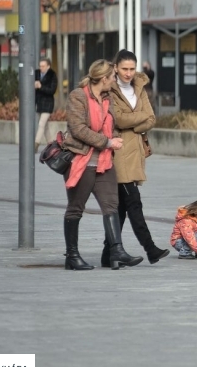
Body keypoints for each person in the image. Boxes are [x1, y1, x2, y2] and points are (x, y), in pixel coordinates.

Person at [61, 59, 143, 271]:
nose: (115, 80)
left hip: (104, 161)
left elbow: (112, 124)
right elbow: (78, 129)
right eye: (112, 77)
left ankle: (116, 250)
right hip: (82, 160)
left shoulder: (108, 98)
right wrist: (107, 142)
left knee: (111, 205)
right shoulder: (78, 96)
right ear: (104, 78)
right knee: (75, 208)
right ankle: (72, 256)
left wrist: (114, 138)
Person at [100, 50, 170, 267]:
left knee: (121, 208)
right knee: (134, 203)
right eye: (124, 69)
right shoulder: (110, 89)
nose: (128, 73)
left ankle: (108, 254)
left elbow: (152, 118)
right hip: (119, 153)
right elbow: (118, 119)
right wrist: (139, 120)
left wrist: (134, 124)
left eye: (132, 68)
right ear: (115, 68)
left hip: (136, 153)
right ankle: (150, 249)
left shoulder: (139, 87)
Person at [34, 58, 57, 153]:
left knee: (41, 124)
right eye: (40, 66)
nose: (41, 68)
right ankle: (51, 144)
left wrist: (41, 87)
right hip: (39, 103)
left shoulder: (52, 75)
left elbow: (52, 90)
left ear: (48, 66)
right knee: (45, 126)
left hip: (48, 103)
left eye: (43, 66)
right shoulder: (36, 74)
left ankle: (36, 144)